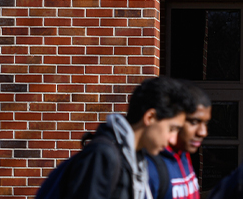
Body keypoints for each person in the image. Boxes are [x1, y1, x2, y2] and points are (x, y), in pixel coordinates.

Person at [36, 76, 192, 199]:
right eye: (172, 129)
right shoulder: (103, 156)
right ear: (150, 117)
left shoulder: (137, 156)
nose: (173, 139)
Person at [148, 82, 211, 199]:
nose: (203, 132)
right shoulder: (151, 165)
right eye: (194, 122)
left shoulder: (183, 152)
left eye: (206, 123)